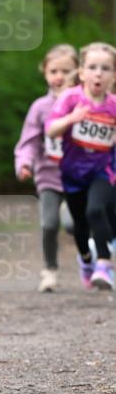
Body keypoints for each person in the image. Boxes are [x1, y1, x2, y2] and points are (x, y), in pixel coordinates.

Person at [45, 41, 116, 290]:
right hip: (73, 173)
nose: (99, 74)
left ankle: (104, 265)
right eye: (93, 67)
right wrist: (71, 119)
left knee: (96, 210)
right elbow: (51, 130)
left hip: (102, 170)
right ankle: (86, 260)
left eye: (105, 68)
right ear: (82, 72)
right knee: (80, 225)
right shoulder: (70, 98)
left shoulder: (113, 105)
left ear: (113, 75)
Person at [14, 44, 78, 292]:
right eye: (53, 71)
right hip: (48, 176)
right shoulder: (40, 107)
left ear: (79, 72)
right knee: (49, 225)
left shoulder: (85, 105)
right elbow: (28, 141)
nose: (59, 76)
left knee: (72, 225)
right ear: (45, 73)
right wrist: (24, 163)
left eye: (66, 71)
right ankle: (50, 270)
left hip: (79, 177)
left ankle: (92, 259)